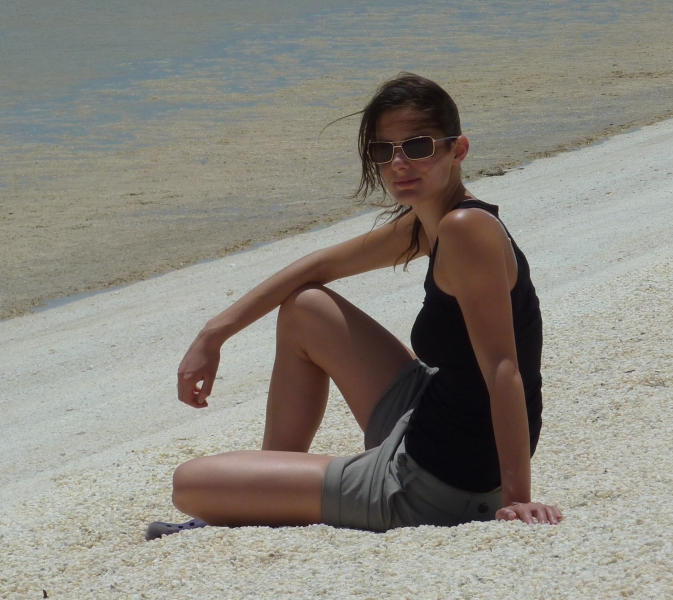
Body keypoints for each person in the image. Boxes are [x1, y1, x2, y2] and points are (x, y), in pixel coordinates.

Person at [146, 73, 562, 540]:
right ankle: (265, 485)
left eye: (418, 146)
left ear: (458, 149)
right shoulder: (430, 223)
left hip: (435, 480)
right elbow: (317, 266)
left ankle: (258, 498)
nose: (399, 164)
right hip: (426, 417)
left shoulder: (466, 229)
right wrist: (212, 335)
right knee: (306, 308)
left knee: (189, 483)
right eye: (384, 151)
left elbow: (504, 367)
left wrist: (515, 499)